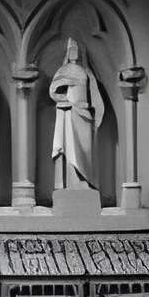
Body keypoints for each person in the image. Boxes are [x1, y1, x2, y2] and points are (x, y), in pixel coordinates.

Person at [49, 37, 106, 191]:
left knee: (86, 151)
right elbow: (53, 91)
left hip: (84, 113)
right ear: (68, 53)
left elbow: (95, 96)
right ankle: (72, 184)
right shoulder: (63, 70)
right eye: (72, 50)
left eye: (77, 50)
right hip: (69, 113)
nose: (74, 53)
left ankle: (85, 184)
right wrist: (64, 100)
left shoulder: (86, 72)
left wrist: (96, 112)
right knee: (69, 150)